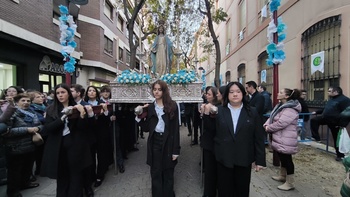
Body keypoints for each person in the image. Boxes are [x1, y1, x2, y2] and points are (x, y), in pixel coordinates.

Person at [40, 84, 93, 197]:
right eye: (58, 93)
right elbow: (48, 128)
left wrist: (82, 114)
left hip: (75, 145)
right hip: (58, 146)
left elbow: (83, 128)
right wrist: (63, 117)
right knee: (62, 175)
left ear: (68, 93)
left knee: (75, 174)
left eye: (63, 92)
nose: (60, 95)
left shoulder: (77, 107)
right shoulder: (51, 109)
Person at [214, 82, 266, 196]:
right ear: (227, 95)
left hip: (244, 158)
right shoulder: (219, 111)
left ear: (243, 93)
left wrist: (260, 160)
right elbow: (212, 134)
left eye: (238, 92)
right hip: (224, 159)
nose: (235, 95)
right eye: (231, 92)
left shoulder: (252, 112)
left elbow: (258, 137)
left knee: (242, 191)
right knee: (224, 191)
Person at [137, 80, 180, 197]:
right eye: (154, 89)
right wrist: (139, 117)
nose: (156, 92)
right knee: (156, 171)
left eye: (159, 89)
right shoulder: (150, 107)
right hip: (155, 141)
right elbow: (147, 128)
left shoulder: (172, 106)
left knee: (168, 171)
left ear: (164, 91)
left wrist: (176, 150)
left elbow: (175, 129)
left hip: (168, 142)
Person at [2, 93, 42, 197]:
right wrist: (27, 130)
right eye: (23, 101)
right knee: (14, 171)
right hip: (15, 147)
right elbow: (7, 131)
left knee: (27, 168)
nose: (26, 103)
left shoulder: (32, 113)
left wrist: (38, 128)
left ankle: (25, 183)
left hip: (30, 145)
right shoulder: (11, 114)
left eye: (28, 101)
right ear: (17, 102)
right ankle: (13, 191)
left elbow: (39, 126)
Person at [264, 88, 301, 191]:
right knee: (282, 157)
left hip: (286, 137)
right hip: (280, 136)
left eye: (280, 92)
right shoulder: (280, 106)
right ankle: (283, 176)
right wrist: (266, 124)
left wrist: (269, 128)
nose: (277, 93)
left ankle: (290, 183)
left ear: (287, 96)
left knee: (287, 159)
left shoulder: (290, 109)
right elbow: (272, 116)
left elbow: (281, 123)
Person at [310, 86, 350, 161]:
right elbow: (327, 108)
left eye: (329, 91)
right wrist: (317, 112)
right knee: (314, 120)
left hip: (336, 122)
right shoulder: (332, 99)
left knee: (336, 139)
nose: (327, 92)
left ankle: (340, 155)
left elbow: (347, 113)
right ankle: (316, 137)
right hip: (326, 118)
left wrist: (342, 124)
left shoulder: (345, 100)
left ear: (336, 92)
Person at [200, 86, 220, 197]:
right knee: (209, 169)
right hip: (207, 141)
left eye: (209, 94)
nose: (206, 96)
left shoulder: (218, 107)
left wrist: (207, 113)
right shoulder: (205, 105)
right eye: (206, 94)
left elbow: (211, 127)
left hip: (215, 141)